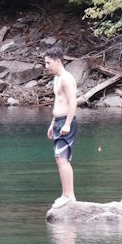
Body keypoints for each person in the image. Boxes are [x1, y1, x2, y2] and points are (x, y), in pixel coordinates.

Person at [45, 49, 78, 207]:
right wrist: (53, 123)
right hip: (58, 121)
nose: (46, 66)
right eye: (45, 63)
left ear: (58, 62)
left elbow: (73, 102)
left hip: (66, 122)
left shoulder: (66, 78)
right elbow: (59, 102)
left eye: (48, 63)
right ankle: (66, 194)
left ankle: (69, 196)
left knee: (62, 159)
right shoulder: (57, 79)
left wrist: (67, 124)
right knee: (60, 159)